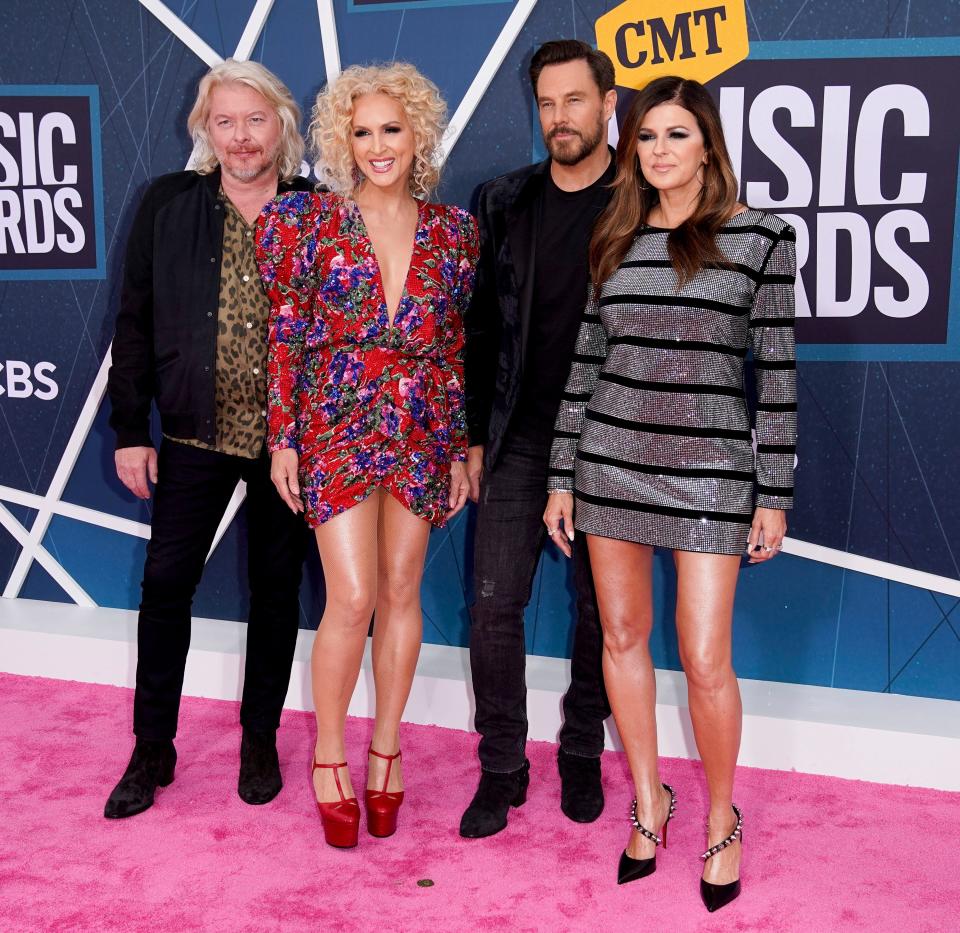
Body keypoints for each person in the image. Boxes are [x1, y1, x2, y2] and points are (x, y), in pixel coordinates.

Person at [545, 75, 796, 911]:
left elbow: (780, 379)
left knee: (703, 654)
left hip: (712, 472)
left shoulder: (760, 237)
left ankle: (721, 817)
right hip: (608, 461)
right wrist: (560, 475)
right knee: (620, 635)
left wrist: (776, 489)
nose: (658, 151)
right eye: (647, 136)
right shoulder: (613, 236)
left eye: (676, 135)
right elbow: (585, 368)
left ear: (708, 144)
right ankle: (649, 801)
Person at [256, 62, 478, 849]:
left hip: (420, 424)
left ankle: (387, 751)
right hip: (336, 422)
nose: (378, 145)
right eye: (361, 131)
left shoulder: (455, 232)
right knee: (350, 596)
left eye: (392, 128)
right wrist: (283, 434)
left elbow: (452, 349)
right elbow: (284, 337)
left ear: (418, 134)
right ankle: (328, 756)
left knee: (401, 588)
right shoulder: (304, 225)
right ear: (340, 141)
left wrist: (455, 448)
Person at [104, 60, 312, 819]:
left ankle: (260, 736)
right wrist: (132, 429)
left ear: (281, 126)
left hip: (288, 446)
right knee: (164, 587)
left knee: (276, 590)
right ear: (205, 130)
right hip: (192, 435)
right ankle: (151, 746)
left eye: (255, 119)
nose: (240, 136)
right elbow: (134, 321)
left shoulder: (317, 212)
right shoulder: (168, 203)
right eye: (224, 121)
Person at [460, 39, 617, 839]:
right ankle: (502, 764)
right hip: (518, 436)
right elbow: (479, 327)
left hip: (611, 440)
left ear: (607, 103)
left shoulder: (647, 194)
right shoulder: (504, 200)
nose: (561, 118)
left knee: (600, 611)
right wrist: (471, 434)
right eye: (548, 104)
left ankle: (583, 746)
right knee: (493, 606)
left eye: (575, 101)